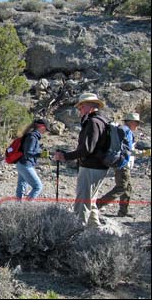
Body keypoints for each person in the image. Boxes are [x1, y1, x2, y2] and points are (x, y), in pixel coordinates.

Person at [54, 93, 109, 228]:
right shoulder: (102, 121)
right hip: (99, 167)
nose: (80, 110)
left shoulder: (93, 122)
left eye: (82, 107)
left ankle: (77, 231)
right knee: (91, 199)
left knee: (82, 202)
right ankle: (94, 228)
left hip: (91, 167)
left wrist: (65, 156)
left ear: (90, 107)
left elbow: (87, 149)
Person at [97, 113, 151, 217]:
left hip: (121, 163)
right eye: (137, 123)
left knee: (128, 188)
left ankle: (123, 212)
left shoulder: (122, 131)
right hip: (123, 164)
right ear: (131, 122)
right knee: (121, 188)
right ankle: (98, 204)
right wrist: (144, 153)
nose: (137, 125)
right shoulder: (127, 132)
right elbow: (129, 151)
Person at [16, 118, 51, 201]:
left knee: (22, 184)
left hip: (21, 164)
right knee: (38, 187)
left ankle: (17, 205)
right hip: (26, 165)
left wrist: (39, 149)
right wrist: (41, 155)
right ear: (41, 126)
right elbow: (28, 153)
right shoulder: (32, 137)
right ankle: (27, 206)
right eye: (46, 129)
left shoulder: (30, 135)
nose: (45, 132)